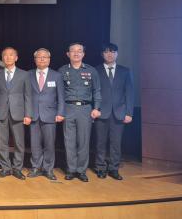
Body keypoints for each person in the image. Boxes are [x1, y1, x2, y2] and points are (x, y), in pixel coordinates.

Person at [59, 43, 102, 182]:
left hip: (85, 109)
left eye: (79, 51)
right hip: (68, 108)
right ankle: (71, 169)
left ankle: (81, 170)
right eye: (73, 51)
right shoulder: (62, 70)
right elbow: (58, 94)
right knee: (69, 141)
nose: (76, 53)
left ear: (83, 54)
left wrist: (97, 108)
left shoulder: (91, 71)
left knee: (83, 141)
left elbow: (97, 91)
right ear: (68, 54)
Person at [0, 47, 32, 180]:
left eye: (11, 55)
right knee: (2, 142)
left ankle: (17, 168)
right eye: (5, 55)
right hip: (1, 112)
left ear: (16, 58)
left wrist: (28, 114)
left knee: (19, 142)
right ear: (2, 58)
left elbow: (28, 96)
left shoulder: (24, 74)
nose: (8, 57)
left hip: (18, 112)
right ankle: (6, 168)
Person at [94, 43, 134, 180]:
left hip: (119, 113)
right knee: (100, 142)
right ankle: (100, 167)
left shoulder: (125, 71)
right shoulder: (96, 70)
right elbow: (93, 92)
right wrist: (94, 109)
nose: (110, 54)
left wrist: (129, 113)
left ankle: (114, 168)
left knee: (116, 143)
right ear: (102, 54)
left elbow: (129, 93)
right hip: (101, 112)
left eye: (112, 52)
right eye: (106, 52)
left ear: (117, 54)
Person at [28, 48, 65, 181]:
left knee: (49, 144)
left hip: (50, 115)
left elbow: (61, 96)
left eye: (45, 57)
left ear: (49, 59)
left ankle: (48, 169)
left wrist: (61, 112)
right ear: (35, 59)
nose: (42, 59)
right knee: (34, 143)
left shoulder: (57, 75)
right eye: (39, 57)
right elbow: (25, 96)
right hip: (33, 114)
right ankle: (35, 167)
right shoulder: (29, 74)